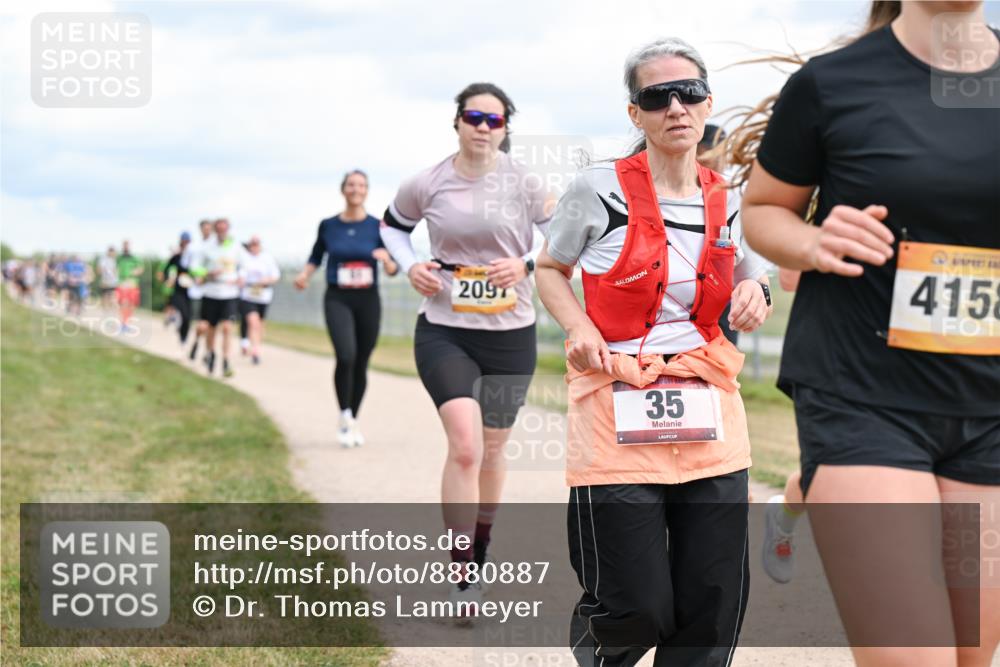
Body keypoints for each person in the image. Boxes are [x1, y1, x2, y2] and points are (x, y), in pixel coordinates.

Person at [737, 2, 999, 665]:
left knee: (971, 654)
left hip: (990, 409)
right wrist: (814, 239)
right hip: (861, 399)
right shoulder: (834, 85)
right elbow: (765, 209)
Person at [535, 37, 772, 666]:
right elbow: (550, 268)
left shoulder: (731, 198)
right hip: (615, 398)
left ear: (706, 103)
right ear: (634, 114)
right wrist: (578, 326)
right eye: (655, 96)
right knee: (632, 602)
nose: (675, 106)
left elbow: (761, 272)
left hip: (707, 401)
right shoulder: (596, 189)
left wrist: (756, 288)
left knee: (712, 601)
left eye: (688, 92)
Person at [380, 82, 554, 614]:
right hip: (445, 328)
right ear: (457, 122)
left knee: (494, 452)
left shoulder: (524, 183)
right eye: (474, 117)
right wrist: (411, 264)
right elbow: (391, 228)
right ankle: (460, 570)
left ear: (505, 130)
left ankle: (479, 549)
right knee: (465, 446)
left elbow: (561, 237)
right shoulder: (428, 182)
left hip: (511, 332)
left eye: (494, 120)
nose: (483, 127)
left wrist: (524, 263)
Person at [295, 170, 398, 446]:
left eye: (361, 185)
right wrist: (304, 275)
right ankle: (343, 413)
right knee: (346, 354)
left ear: (367, 191)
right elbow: (316, 255)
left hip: (367, 299)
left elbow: (392, 267)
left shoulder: (378, 226)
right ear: (343, 190)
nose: (356, 189)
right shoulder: (328, 225)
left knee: (362, 359)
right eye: (351, 185)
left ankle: (352, 418)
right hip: (338, 297)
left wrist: (387, 261)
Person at [189, 218, 245, 378]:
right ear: (215, 230)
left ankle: (226, 360)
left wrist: (241, 277)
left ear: (228, 229)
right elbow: (194, 268)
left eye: (224, 229)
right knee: (209, 328)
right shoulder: (206, 247)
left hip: (229, 293)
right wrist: (206, 273)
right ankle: (210, 353)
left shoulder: (235, 246)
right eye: (218, 229)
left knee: (228, 327)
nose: (222, 232)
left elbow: (244, 266)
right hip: (211, 293)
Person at [239, 235, 281, 365]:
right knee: (253, 322)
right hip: (248, 294)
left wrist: (265, 281)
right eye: (252, 244)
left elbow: (275, 276)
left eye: (256, 244)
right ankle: (255, 351)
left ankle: (256, 346)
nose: (254, 247)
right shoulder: (244, 258)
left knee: (260, 324)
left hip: (263, 295)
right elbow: (241, 275)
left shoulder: (267, 258)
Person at [185, 220, 214, 363]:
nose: (207, 231)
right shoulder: (193, 247)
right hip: (198, 291)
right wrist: (200, 275)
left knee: (213, 326)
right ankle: (197, 342)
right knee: (202, 324)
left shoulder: (217, 247)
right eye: (205, 229)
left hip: (215, 292)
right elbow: (189, 267)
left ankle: (208, 352)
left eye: (210, 229)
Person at [115, 241, 144, 332]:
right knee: (123, 303)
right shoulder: (119, 258)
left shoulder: (135, 258)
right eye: (124, 246)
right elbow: (115, 268)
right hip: (122, 283)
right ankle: (123, 323)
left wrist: (135, 272)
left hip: (132, 283)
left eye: (127, 246)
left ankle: (126, 323)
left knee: (131, 304)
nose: (126, 248)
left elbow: (140, 268)